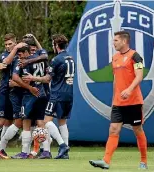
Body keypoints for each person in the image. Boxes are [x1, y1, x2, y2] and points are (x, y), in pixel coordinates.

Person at [89, 31, 148, 170]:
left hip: (134, 101)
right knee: (114, 129)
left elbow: (139, 76)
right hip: (118, 103)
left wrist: (129, 89)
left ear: (124, 41)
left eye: (115, 40)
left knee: (138, 129)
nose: (113, 43)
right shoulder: (115, 58)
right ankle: (106, 161)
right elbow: (116, 80)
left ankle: (144, 161)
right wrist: (114, 98)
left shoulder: (135, 56)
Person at [23, 34, 75, 159]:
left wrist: (32, 77)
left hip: (57, 94)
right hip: (69, 94)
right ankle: (65, 153)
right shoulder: (70, 58)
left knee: (45, 122)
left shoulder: (56, 60)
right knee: (62, 122)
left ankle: (62, 145)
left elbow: (47, 79)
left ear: (56, 45)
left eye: (53, 44)